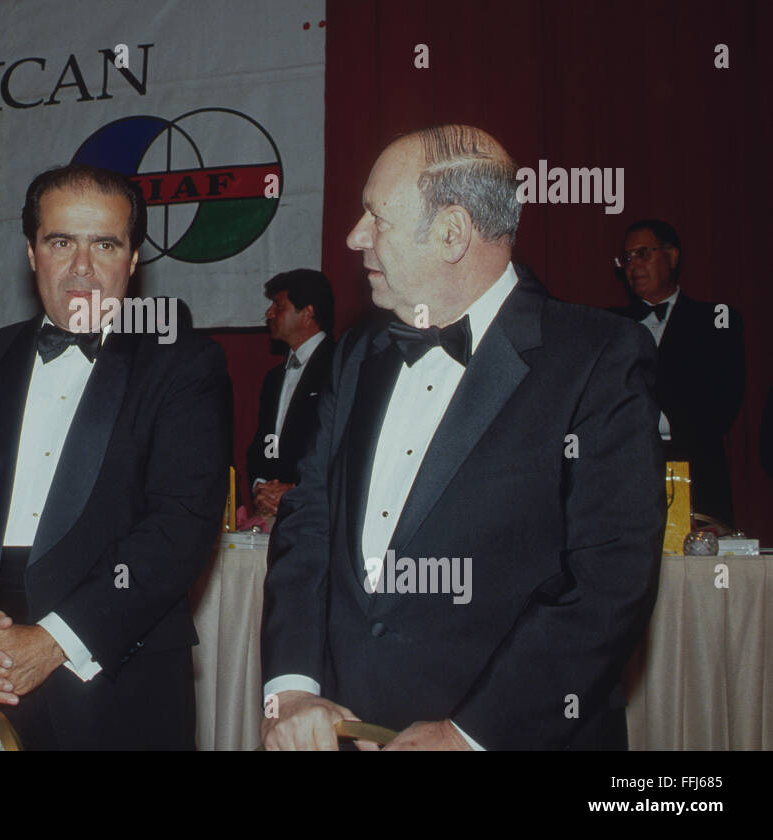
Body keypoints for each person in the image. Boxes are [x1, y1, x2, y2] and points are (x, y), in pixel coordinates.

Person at [260, 125, 664, 751]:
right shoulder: (359, 352)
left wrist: (472, 734)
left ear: (451, 233)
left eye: (376, 218)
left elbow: (609, 584)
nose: (354, 237)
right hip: (346, 728)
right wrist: (292, 686)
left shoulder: (598, 358)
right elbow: (309, 522)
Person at [0, 164, 230, 750]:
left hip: (117, 680)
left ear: (132, 261)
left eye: (104, 243)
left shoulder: (184, 365)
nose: (81, 266)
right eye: (60, 241)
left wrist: (54, 641)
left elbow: (179, 527)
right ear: (31, 253)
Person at [609, 219, 745, 526]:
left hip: (698, 477)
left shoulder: (716, 321)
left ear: (672, 256)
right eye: (627, 259)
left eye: (644, 254)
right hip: (626, 477)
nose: (633, 266)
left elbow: (722, 406)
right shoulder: (609, 326)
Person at [246, 269, 335, 519]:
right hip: (274, 515)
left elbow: (343, 448)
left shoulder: (342, 367)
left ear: (308, 313)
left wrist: (298, 490)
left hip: (320, 514)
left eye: (278, 306)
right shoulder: (274, 378)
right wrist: (261, 487)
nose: (268, 313)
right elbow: (263, 443)